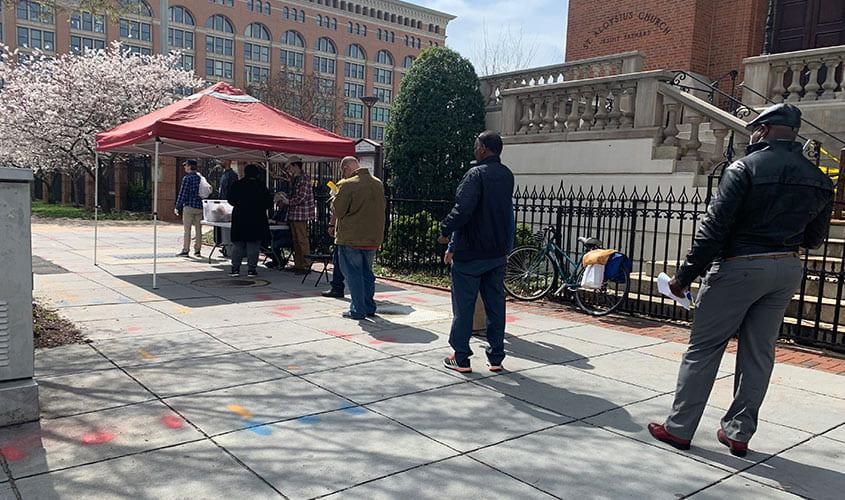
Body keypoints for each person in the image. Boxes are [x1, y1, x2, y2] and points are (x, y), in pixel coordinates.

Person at [648, 103, 834, 457]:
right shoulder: (820, 180)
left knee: (704, 348)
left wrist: (684, 277)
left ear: (763, 131)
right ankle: (738, 432)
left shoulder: (743, 168)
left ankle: (679, 428)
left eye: (753, 130)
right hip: (786, 268)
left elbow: (714, 230)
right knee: (759, 353)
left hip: (740, 265)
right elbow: (813, 239)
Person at [438, 131, 514, 374]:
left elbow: (463, 209)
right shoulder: (506, 175)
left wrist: (445, 229)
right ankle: (496, 357)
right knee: (495, 306)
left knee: (464, 306)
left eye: (476, 144)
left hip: (471, 252)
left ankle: (461, 357)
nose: (474, 147)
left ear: (483, 148)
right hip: (496, 252)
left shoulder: (475, 174)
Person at [332, 156, 385, 319]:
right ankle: (369, 306)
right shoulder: (377, 183)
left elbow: (338, 211)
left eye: (343, 170)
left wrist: (334, 196)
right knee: (367, 273)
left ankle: (357, 309)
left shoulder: (346, 185)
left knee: (353, 274)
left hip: (351, 238)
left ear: (347, 168)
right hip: (372, 237)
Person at [227, 164, 274, 277]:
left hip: (240, 218)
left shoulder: (237, 185)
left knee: (238, 244)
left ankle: (235, 268)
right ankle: (251, 269)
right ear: (257, 174)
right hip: (256, 218)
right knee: (253, 245)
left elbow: (230, 199)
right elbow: (269, 203)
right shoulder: (261, 186)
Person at [282, 156, 316, 274]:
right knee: (296, 241)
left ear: (295, 166)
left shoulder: (304, 179)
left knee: (302, 240)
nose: (288, 170)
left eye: (289, 167)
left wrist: (288, 201)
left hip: (301, 214)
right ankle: (299, 264)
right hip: (295, 214)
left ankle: (306, 266)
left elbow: (302, 197)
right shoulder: (295, 178)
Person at [175, 159, 203, 257]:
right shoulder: (200, 178)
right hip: (200, 207)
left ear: (190, 166)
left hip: (189, 206)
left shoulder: (187, 178)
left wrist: (178, 206)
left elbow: (183, 193)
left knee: (187, 229)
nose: (184, 167)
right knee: (198, 229)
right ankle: (198, 250)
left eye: (186, 165)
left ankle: (186, 250)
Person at [216, 161, 238, 257]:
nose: (220, 161)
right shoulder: (224, 174)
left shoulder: (232, 175)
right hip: (223, 204)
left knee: (228, 226)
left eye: (222, 159)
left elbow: (233, 190)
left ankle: (230, 247)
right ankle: (225, 246)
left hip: (228, 204)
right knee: (224, 227)